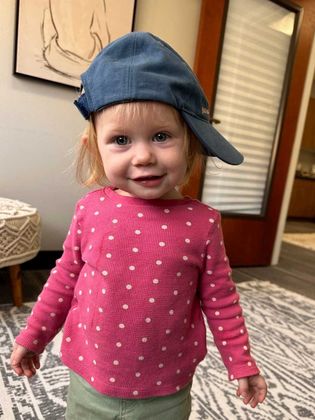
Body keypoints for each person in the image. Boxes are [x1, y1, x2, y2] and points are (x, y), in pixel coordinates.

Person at [10, 32, 267, 419]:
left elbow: (221, 300)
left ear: (191, 141)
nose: (144, 155)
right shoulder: (91, 211)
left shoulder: (203, 224)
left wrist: (240, 362)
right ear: (94, 146)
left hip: (167, 388)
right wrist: (34, 336)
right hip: (89, 378)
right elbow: (63, 281)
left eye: (162, 136)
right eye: (121, 140)